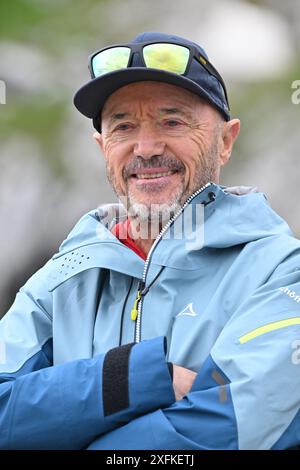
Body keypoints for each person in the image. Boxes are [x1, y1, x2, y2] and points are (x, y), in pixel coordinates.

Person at [0, 31, 300, 450]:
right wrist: (141, 377)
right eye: (123, 126)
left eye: (172, 121)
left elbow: (230, 431)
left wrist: (60, 420)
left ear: (226, 141)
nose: (146, 148)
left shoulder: (281, 271)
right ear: (103, 146)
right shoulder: (62, 277)